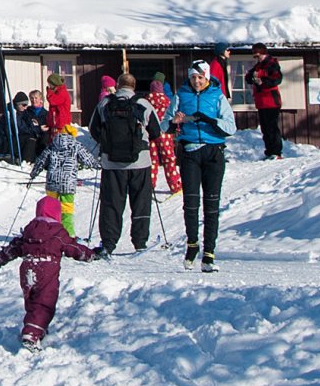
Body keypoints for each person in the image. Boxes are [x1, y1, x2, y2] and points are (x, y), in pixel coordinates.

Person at [0, 195, 95, 351]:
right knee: (45, 303)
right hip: (46, 270)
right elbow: (73, 248)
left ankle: (37, 328)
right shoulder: (57, 232)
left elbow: (14, 247)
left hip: (27, 268)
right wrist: (90, 255)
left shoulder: (29, 231)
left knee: (32, 300)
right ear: (57, 214)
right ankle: (31, 333)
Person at [171, 60, 237, 272]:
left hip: (213, 153)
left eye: (200, 77)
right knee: (190, 203)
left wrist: (210, 120)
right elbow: (165, 123)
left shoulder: (217, 96)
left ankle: (209, 252)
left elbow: (230, 126)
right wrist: (175, 121)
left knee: (211, 205)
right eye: (193, 77)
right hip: (190, 151)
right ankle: (192, 245)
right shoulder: (181, 95)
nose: (196, 81)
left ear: (207, 77)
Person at [88, 74, 160, 256]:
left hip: (111, 163)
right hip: (140, 162)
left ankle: (109, 243)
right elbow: (156, 131)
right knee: (141, 202)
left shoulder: (105, 104)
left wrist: (107, 144)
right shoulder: (143, 104)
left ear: (118, 85)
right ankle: (140, 242)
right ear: (134, 86)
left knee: (111, 204)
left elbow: (93, 129)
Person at [30, 120, 101, 237]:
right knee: (66, 209)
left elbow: (41, 160)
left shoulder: (52, 145)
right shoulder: (76, 145)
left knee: (51, 208)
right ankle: (67, 234)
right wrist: (98, 165)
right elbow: (87, 158)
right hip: (68, 183)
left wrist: (34, 173)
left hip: (52, 182)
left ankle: (48, 232)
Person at [147, 72, 182, 195]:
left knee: (152, 161)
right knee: (169, 159)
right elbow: (173, 117)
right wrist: (177, 129)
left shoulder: (146, 102)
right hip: (165, 135)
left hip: (151, 135)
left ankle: (149, 185)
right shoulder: (168, 102)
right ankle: (175, 185)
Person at [249, 43, 284, 160]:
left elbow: (277, 79)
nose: (256, 58)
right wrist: (253, 78)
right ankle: (269, 151)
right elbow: (248, 77)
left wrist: (263, 82)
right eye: (254, 56)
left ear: (263, 53)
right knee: (265, 128)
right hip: (261, 101)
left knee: (272, 127)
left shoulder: (272, 64)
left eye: (257, 55)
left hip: (271, 101)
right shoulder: (258, 66)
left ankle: (276, 152)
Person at [0, 92, 28, 157]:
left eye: (27, 105)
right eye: (24, 105)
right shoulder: (11, 114)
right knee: (26, 139)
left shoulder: (19, 113)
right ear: (18, 104)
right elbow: (17, 129)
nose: (25, 108)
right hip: (0, 144)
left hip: (4, 142)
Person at [20, 89, 50, 162]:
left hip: (42, 139)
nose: (34, 100)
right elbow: (25, 127)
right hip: (30, 138)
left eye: (36, 98)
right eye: (32, 98)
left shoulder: (46, 114)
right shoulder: (26, 112)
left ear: (40, 99)